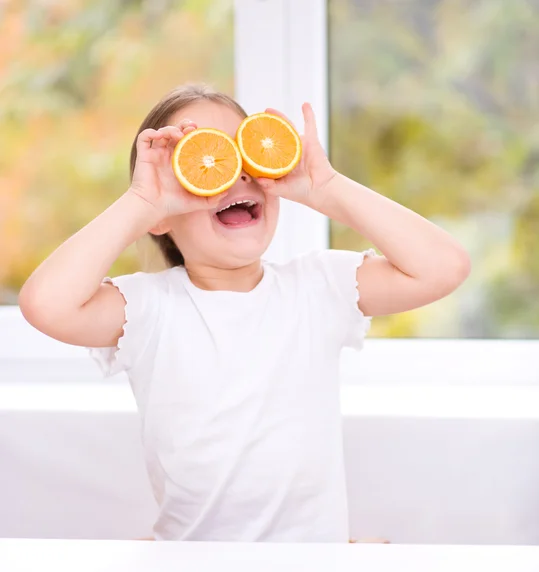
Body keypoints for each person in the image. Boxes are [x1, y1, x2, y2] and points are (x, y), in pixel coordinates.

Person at [19, 83, 470, 543]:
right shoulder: (150, 309)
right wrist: (141, 202)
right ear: (161, 217)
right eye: (204, 160)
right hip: (193, 569)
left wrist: (328, 189)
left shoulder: (318, 287)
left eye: (245, 153)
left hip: (310, 570)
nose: (232, 173)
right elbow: (45, 304)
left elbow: (444, 267)